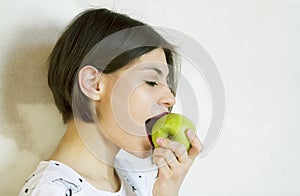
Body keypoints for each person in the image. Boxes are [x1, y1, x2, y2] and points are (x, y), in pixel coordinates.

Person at [19, 8, 203, 196]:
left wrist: (168, 191)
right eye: (151, 81)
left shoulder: (136, 179)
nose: (170, 99)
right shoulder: (50, 191)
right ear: (93, 84)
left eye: (167, 84)